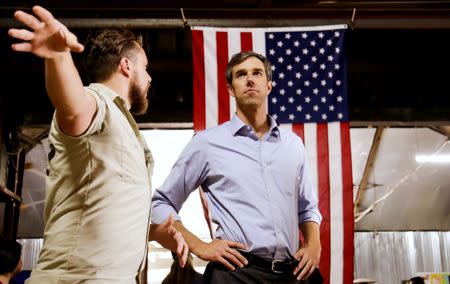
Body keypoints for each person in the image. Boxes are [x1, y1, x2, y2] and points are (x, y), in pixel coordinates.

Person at [8, 6, 188, 283]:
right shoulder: (98, 103)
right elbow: (74, 109)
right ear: (126, 66)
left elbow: (105, 203)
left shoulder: (125, 127)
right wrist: (58, 57)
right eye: (146, 68)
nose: (150, 78)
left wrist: (151, 231)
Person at [151, 51, 322, 283]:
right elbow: (161, 204)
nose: (250, 79)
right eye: (241, 75)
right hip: (236, 274)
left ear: (269, 86)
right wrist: (199, 246)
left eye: (257, 73)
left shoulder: (293, 145)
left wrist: (314, 245)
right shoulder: (207, 144)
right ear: (231, 89)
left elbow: (307, 208)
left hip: (292, 274)